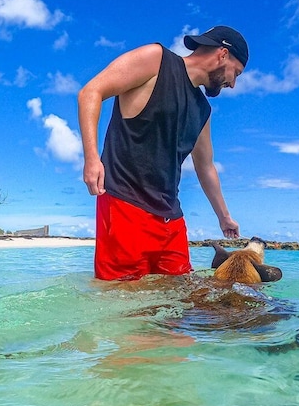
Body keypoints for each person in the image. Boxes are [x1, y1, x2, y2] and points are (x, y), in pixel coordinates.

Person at [78, 25, 248, 281]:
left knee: (178, 303)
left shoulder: (203, 110)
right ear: (223, 55)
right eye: (237, 73)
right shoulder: (155, 60)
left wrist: (224, 217)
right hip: (125, 205)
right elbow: (91, 92)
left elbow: (206, 167)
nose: (233, 84)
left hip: (171, 220)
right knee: (121, 305)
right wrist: (92, 158)